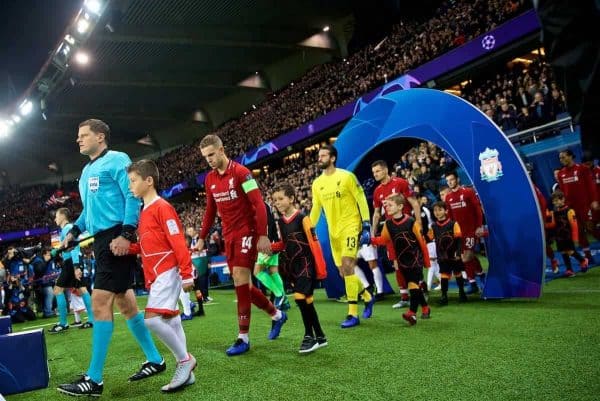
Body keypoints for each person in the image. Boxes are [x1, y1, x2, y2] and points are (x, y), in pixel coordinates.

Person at [58, 119, 165, 397]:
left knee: (99, 301)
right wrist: (75, 230)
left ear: (101, 137)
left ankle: (93, 379)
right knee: (126, 304)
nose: (78, 140)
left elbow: (132, 196)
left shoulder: (118, 160)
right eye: (78, 136)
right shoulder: (86, 170)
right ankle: (155, 360)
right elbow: (88, 212)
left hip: (117, 236)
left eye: (84, 135)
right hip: (103, 240)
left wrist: (127, 233)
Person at [196, 134, 286, 356]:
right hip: (229, 234)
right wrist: (201, 236)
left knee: (239, 276)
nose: (208, 159)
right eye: (205, 157)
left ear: (221, 150)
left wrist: (263, 235)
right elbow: (210, 210)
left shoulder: (242, 174)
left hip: (248, 231)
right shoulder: (209, 179)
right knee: (242, 285)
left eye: (211, 154)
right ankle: (276, 315)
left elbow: (259, 204)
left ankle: (243, 337)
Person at [125, 159, 197, 392]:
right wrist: (130, 248)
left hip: (167, 269)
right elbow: (151, 245)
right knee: (172, 320)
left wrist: (186, 273)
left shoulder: (162, 207)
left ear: (149, 181)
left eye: (133, 181)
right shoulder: (144, 211)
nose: (130, 186)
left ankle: (185, 360)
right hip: (157, 273)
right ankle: (187, 373)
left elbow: (177, 241)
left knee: (152, 320)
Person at [310, 145, 374, 328]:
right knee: (342, 271)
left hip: (351, 226)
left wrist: (366, 224)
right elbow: (316, 208)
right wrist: (309, 227)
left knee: (347, 265)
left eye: (323, 155)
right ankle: (367, 296)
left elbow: (361, 199)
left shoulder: (346, 177)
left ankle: (352, 313)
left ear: (332, 158)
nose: (319, 158)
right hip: (334, 232)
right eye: (319, 155)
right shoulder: (317, 184)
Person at [271, 183, 328, 353]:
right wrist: (271, 248)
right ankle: (320, 336)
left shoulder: (303, 218)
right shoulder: (280, 222)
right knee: (307, 301)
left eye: (281, 199)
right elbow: (285, 243)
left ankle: (308, 336)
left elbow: (314, 243)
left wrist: (320, 270)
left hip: (307, 264)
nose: (277, 202)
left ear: (291, 199)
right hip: (293, 267)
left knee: (299, 297)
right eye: (275, 200)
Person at [370, 194, 430, 325]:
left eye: (390, 205)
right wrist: (371, 240)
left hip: (415, 259)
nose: (387, 208)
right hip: (402, 260)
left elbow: (422, 242)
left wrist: (426, 261)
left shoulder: (411, 222)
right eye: (386, 206)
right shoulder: (388, 224)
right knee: (413, 285)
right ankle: (425, 307)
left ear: (400, 206)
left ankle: (412, 313)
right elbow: (384, 239)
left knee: (413, 284)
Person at [371, 160, 421, 309]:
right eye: (374, 172)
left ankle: (420, 290)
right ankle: (404, 296)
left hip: (407, 228)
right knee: (396, 263)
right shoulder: (377, 191)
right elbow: (377, 213)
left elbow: (414, 203)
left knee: (412, 261)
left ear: (386, 170)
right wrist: (373, 232)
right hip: (390, 230)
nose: (375, 174)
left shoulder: (401, 183)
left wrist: (418, 222)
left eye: (378, 171)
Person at [49, 207, 94, 333]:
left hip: (71, 263)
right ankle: (92, 319)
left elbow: (74, 248)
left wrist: (75, 267)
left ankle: (63, 323)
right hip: (73, 262)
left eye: (57, 216)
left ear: (63, 216)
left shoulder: (67, 229)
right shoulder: (68, 229)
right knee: (82, 289)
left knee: (57, 290)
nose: (55, 219)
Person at [443, 171, 486, 294]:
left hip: (471, 231)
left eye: (451, 179)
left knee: (466, 257)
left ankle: (472, 284)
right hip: (459, 233)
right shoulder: (448, 197)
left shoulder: (467, 192)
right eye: (447, 181)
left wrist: (479, 226)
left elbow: (478, 209)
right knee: (468, 256)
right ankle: (481, 275)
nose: (450, 182)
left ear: (457, 179)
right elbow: (450, 217)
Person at [557, 149, 599, 262]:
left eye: (564, 157)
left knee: (591, 228)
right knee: (579, 231)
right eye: (560, 158)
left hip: (585, 206)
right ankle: (588, 256)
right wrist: (562, 205)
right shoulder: (561, 174)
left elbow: (591, 186)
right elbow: (562, 192)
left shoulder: (582, 169)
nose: (562, 160)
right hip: (571, 208)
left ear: (571, 157)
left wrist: (594, 200)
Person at [429, 202, 467, 305]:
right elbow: (429, 238)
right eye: (435, 210)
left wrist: (458, 253)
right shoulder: (433, 226)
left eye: (440, 210)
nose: (437, 212)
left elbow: (459, 240)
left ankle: (462, 293)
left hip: (454, 254)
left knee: (458, 273)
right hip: (442, 255)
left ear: (446, 211)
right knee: (444, 275)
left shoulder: (453, 224)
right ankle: (444, 296)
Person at [253, 201, 289, 310]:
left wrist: (266, 241)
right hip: (272, 241)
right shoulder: (264, 204)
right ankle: (285, 301)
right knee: (274, 271)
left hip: (267, 243)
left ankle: (279, 295)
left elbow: (267, 223)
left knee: (257, 272)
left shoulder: (259, 205)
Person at [545, 191, 589, 277]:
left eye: (557, 200)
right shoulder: (553, 212)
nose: (556, 203)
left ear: (563, 200)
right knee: (563, 252)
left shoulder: (569, 211)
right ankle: (569, 270)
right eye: (554, 201)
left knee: (570, 251)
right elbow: (551, 225)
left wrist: (575, 239)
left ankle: (583, 260)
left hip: (567, 236)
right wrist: (548, 216)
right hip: (559, 236)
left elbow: (574, 226)